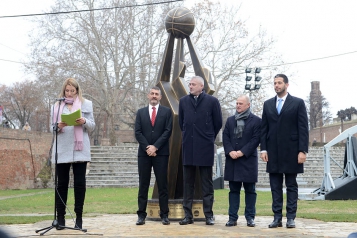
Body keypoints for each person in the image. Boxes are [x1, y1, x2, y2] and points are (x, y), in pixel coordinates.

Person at [260, 74, 308, 229]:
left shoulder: (298, 103)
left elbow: (303, 128)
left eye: (279, 83)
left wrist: (302, 151)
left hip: (292, 151)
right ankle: (277, 217)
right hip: (273, 152)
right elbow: (264, 129)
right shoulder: (267, 104)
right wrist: (263, 149)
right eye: (274, 83)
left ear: (286, 85)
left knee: (291, 185)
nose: (276, 85)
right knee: (275, 186)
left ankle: (291, 218)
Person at [51, 78, 95, 230]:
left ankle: (79, 218)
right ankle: (61, 218)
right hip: (62, 149)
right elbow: (52, 129)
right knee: (61, 184)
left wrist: (84, 121)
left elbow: (92, 126)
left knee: (79, 185)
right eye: (66, 91)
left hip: (80, 149)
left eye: (72, 91)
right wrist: (58, 126)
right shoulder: (56, 106)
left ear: (77, 91)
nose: (69, 93)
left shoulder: (86, 104)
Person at [178, 75, 222, 226]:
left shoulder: (212, 101)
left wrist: (208, 138)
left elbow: (218, 123)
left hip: (205, 147)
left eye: (193, 84)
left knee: (206, 183)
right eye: (189, 84)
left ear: (201, 86)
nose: (190, 86)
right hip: (188, 147)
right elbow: (181, 123)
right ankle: (187, 215)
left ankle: (209, 215)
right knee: (187, 183)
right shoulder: (184, 101)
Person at [134, 86, 173, 226]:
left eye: (157, 94)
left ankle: (164, 215)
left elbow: (168, 131)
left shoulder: (167, 112)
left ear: (160, 97)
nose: (154, 96)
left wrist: (155, 146)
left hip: (161, 153)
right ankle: (141, 215)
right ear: (148, 95)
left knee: (162, 185)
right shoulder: (141, 112)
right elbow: (137, 132)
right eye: (152, 93)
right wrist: (147, 148)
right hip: (144, 155)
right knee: (143, 184)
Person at [223, 95, 261, 228]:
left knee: (250, 190)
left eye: (240, 103)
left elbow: (256, 139)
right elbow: (225, 137)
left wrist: (242, 152)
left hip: (248, 160)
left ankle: (250, 217)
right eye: (237, 103)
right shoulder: (230, 120)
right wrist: (230, 151)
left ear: (248, 105)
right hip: (233, 160)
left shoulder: (256, 121)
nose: (238, 105)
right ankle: (232, 217)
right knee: (234, 190)